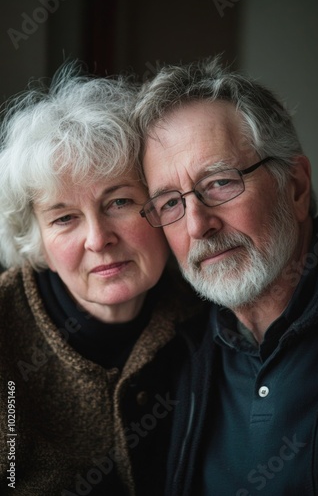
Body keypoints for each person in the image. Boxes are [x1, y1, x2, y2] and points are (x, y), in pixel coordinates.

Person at [133, 54, 318, 495]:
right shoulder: (174, 349)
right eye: (169, 202)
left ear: (296, 187)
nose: (196, 224)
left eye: (220, 182)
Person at [0, 62, 204, 496]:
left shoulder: (208, 309)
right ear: (36, 239)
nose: (98, 239)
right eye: (65, 218)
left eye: (119, 202)